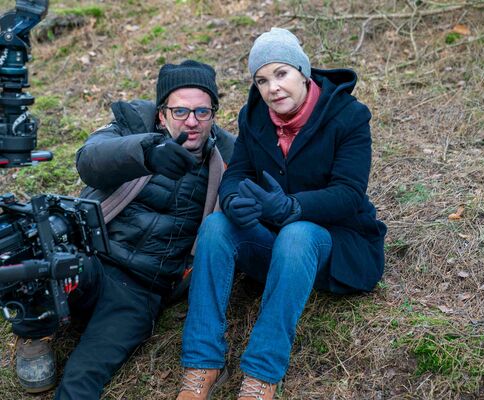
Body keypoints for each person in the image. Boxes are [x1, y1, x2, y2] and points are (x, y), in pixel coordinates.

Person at [175, 28, 387, 400]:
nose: (273, 88)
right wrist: (233, 197)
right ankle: (201, 364)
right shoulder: (254, 116)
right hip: (275, 246)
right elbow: (238, 171)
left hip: (335, 246)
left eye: (281, 74)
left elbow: (350, 194)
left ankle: (260, 376)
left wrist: (295, 207)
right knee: (216, 226)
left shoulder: (348, 116)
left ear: (302, 71)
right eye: (262, 80)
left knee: (298, 232)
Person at [12, 60, 235, 399]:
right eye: (180, 111)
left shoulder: (228, 156)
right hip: (91, 259)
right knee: (38, 261)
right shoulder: (129, 124)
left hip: (139, 291)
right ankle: (34, 332)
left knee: (83, 380)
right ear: (161, 114)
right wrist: (146, 152)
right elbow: (90, 160)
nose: (191, 121)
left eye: (202, 112)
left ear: (214, 114)